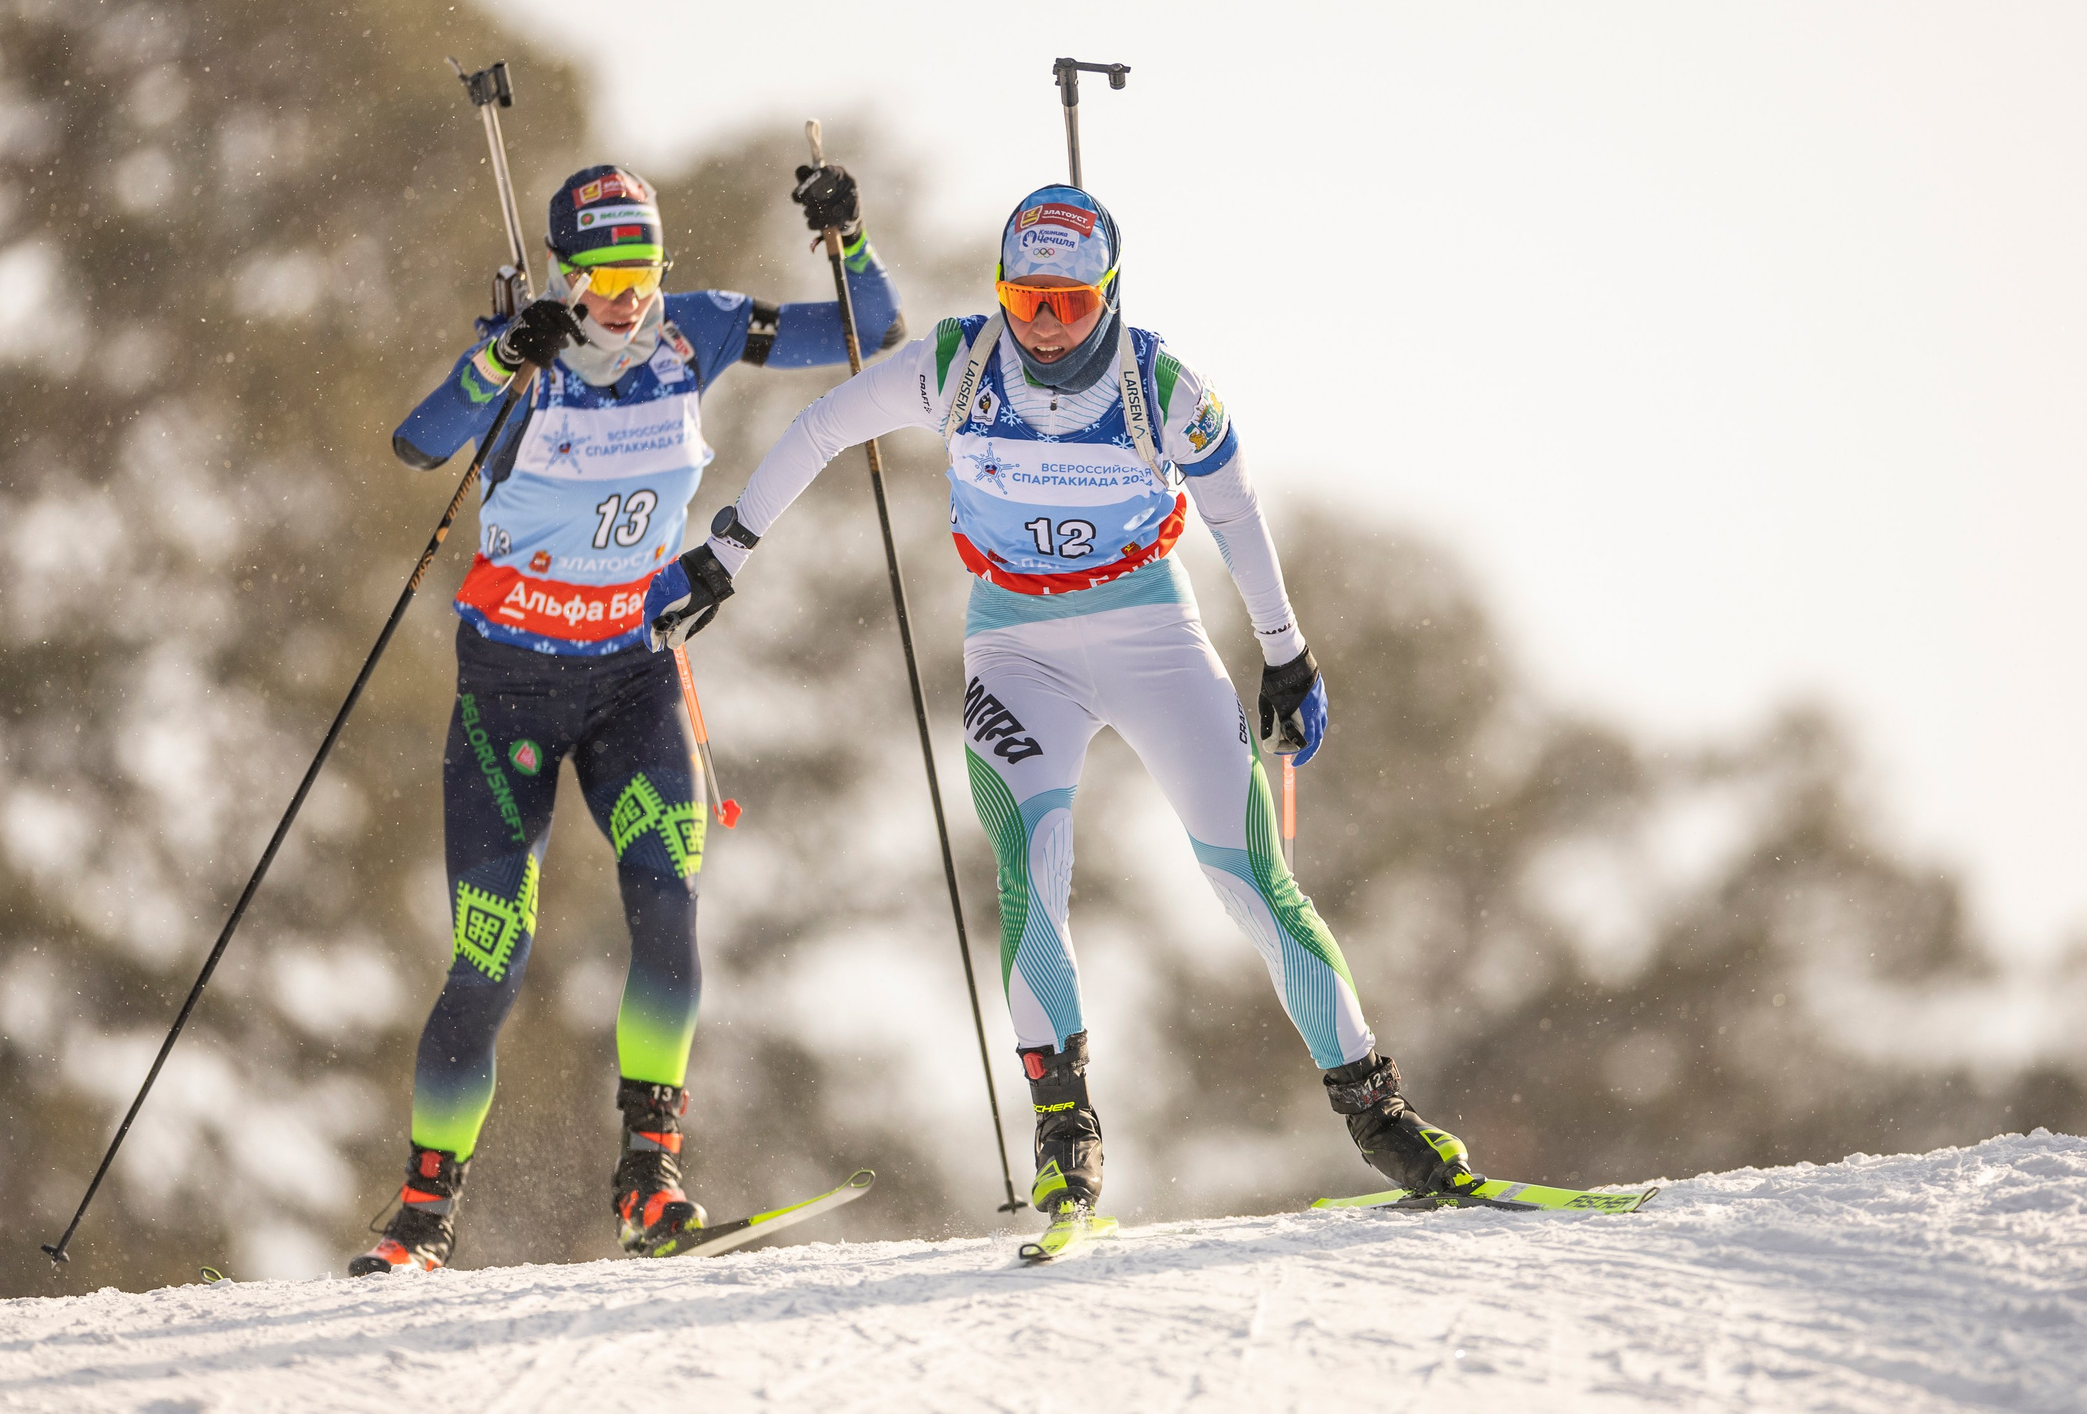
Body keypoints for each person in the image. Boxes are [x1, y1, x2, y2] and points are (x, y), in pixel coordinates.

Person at [642, 183, 1474, 1227]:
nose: (1042, 326)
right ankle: (1065, 1134)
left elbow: (1235, 509)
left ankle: (1380, 1116)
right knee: (1033, 872)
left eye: (1069, 305)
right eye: (1024, 299)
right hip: (1016, 648)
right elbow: (821, 426)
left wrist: (1286, 655)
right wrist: (724, 553)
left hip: (1151, 634)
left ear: (1110, 297)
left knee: (1250, 878)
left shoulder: (1158, 385)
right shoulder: (958, 364)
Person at [348, 161, 902, 1274]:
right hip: (509, 694)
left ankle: (650, 1179)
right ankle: (422, 1213)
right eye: (601, 276)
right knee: (489, 958)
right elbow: (418, 442)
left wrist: (847, 238)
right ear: (564, 272)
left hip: (632, 682)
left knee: (669, 906)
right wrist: (500, 358)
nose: (625, 297)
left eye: (641, 270)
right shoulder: (527, 353)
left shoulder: (695, 331)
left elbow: (867, 331)